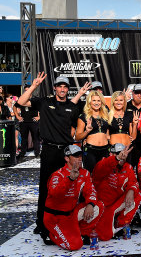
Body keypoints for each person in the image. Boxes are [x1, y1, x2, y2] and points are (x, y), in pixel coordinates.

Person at [17, 73, 90, 239]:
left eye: (65, 87)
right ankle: (41, 223)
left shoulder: (73, 107)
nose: (62, 89)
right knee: (46, 188)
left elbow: (73, 128)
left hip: (66, 152)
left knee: (68, 187)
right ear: (55, 88)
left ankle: (65, 220)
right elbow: (20, 102)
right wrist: (34, 86)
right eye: (60, 86)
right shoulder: (44, 102)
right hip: (49, 151)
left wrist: (80, 94)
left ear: (67, 90)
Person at [43, 145, 104, 250]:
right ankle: (51, 234)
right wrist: (70, 179)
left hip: (70, 214)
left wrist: (90, 204)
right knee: (75, 246)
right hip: (55, 217)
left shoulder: (84, 173)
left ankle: (82, 233)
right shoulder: (58, 175)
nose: (79, 159)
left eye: (80, 156)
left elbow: (91, 191)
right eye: (75, 156)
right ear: (67, 158)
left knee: (98, 205)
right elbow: (55, 194)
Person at [92, 143, 141, 241]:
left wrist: (131, 190)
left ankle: (122, 224)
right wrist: (116, 159)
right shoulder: (103, 164)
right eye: (118, 154)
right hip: (102, 207)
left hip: (115, 204)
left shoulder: (127, 167)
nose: (122, 156)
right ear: (111, 154)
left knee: (137, 195)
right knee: (105, 236)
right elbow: (102, 167)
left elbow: (133, 182)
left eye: (123, 154)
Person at [75, 90, 110, 172]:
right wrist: (87, 131)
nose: (96, 103)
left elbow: (107, 132)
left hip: (105, 150)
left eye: (98, 100)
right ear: (89, 102)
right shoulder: (84, 116)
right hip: (90, 151)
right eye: (94, 100)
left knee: (104, 177)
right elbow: (77, 137)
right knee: (91, 176)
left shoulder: (106, 115)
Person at [15, 84, 40, 159]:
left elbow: (43, 109)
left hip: (33, 121)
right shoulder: (22, 99)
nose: (27, 91)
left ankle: (37, 153)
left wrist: (39, 117)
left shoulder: (35, 99)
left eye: (28, 90)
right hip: (24, 121)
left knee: (35, 138)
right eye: (25, 90)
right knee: (23, 138)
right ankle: (22, 153)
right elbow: (14, 106)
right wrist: (17, 116)